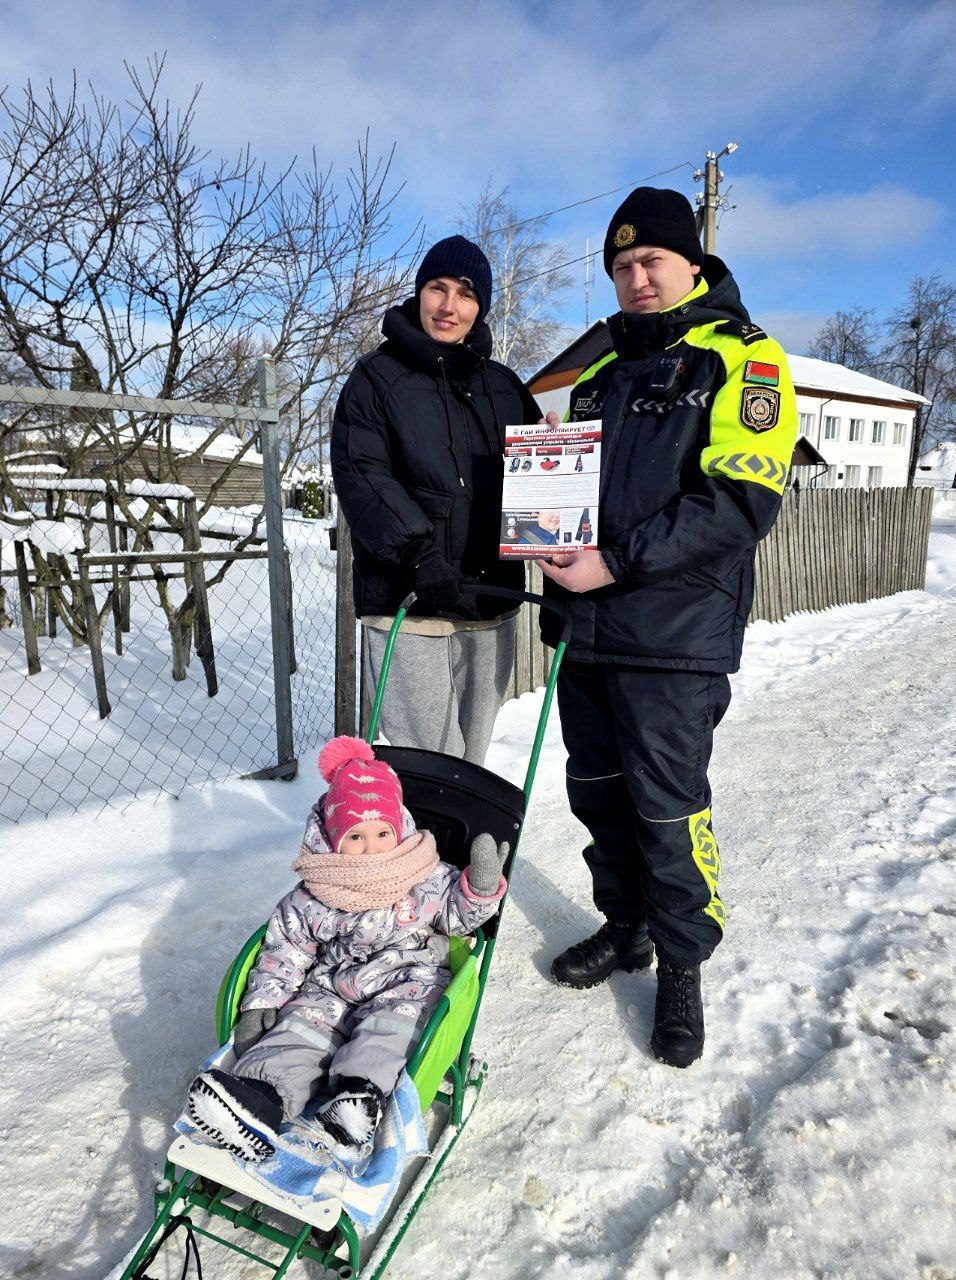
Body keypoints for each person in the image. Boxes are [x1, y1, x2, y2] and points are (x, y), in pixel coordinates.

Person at [538, 188, 798, 1069]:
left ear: (692, 262)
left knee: (667, 808)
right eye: (620, 267)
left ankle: (682, 967)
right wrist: (546, 495)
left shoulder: (744, 359)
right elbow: (570, 500)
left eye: (650, 260)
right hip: (588, 629)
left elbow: (739, 501)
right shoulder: (601, 375)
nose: (635, 278)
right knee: (598, 796)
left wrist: (614, 563)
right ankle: (626, 928)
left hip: (673, 638)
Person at [187, 736, 508, 1162]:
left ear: (399, 829)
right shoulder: (316, 890)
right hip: (331, 987)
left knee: (389, 1035)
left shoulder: (424, 874)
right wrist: (262, 1002)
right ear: (333, 838)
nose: (371, 847)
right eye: (356, 836)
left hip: (407, 983)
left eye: (382, 833)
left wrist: (480, 889)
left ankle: (356, 1101)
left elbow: (456, 917)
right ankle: (256, 1101)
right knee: (298, 1031)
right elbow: (287, 950)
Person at [331, 236, 542, 765]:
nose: (449, 306)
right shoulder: (376, 379)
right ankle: (423, 826)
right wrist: (418, 554)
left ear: (481, 307)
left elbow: (534, 482)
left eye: (466, 295)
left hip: (488, 599)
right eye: (437, 289)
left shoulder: (504, 387)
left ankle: (470, 826)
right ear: (418, 293)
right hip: (409, 598)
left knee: (471, 756)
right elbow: (363, 474)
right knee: (426, 758)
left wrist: (553, 448)